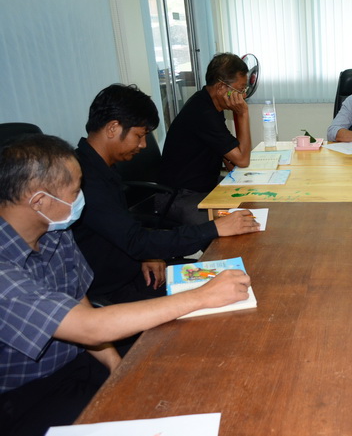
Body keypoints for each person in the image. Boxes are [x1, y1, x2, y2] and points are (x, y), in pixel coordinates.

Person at [0, 134, 252, 435]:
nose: (82, 199)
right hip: (26, 397)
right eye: (76, 191)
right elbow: (89, 326)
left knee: (189, 376)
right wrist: (202, 296)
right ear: (39, 201)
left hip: (80, 361)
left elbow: (78, 298)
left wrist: (114, 365)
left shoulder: (53, 232)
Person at [73, 84, 261, 305]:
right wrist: (215, 228)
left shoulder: (99, 167)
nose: (143, 144)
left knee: (235, 277)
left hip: (135, 271)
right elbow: (136, 241)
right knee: (232, 290)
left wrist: (145, 256)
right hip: (115, 291)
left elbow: (122, 231)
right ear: (113, 128)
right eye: (139, 135)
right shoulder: (82, 180)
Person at [158, 52, 253, 225]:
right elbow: (242, 160)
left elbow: (232, 159)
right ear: (221, 87)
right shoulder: (203, 113)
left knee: (252, 201)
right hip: (179, 197)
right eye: (240, 90)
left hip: (203, 187)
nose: (243, 96)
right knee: (236, 225)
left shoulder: (209, 104)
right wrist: (243, 113)